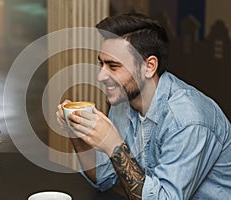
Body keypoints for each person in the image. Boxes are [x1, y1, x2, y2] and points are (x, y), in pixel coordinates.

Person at [56, 13, 231, 200]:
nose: (101, 76)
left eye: (113, 66)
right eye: (102, 64)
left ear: (149, 66)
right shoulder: (124, 100)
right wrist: (75, 131)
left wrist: (114, 145)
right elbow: (103, 178)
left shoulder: (187, 120)